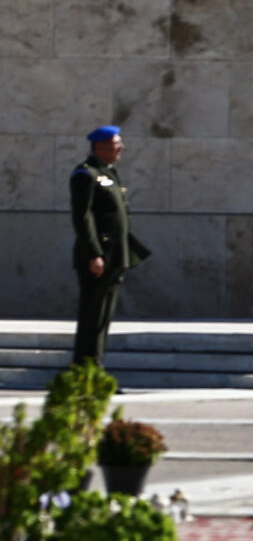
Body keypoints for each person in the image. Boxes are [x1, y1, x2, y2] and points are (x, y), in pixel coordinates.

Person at [70, 125, 149, 369]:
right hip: (99, 256)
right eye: (116, 144)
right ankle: (85, 369)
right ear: (100, 147)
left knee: (103, 316)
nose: (121, 148)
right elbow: (83, 218)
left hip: (115, 254)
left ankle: (95, 367)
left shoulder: (107, 173)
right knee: (93, 316)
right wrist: (94, 254)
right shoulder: (86, 174)